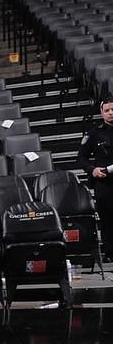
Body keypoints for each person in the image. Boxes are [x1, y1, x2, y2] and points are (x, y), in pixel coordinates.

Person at [78, 98, 113, 257]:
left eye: (112, 109)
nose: (110, 113)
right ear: (101, 113)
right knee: (107, 218)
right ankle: (110, 251)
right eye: (106, 110)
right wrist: (92, 170)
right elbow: (82, 157)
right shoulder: (94, 133)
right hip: (104, 182)